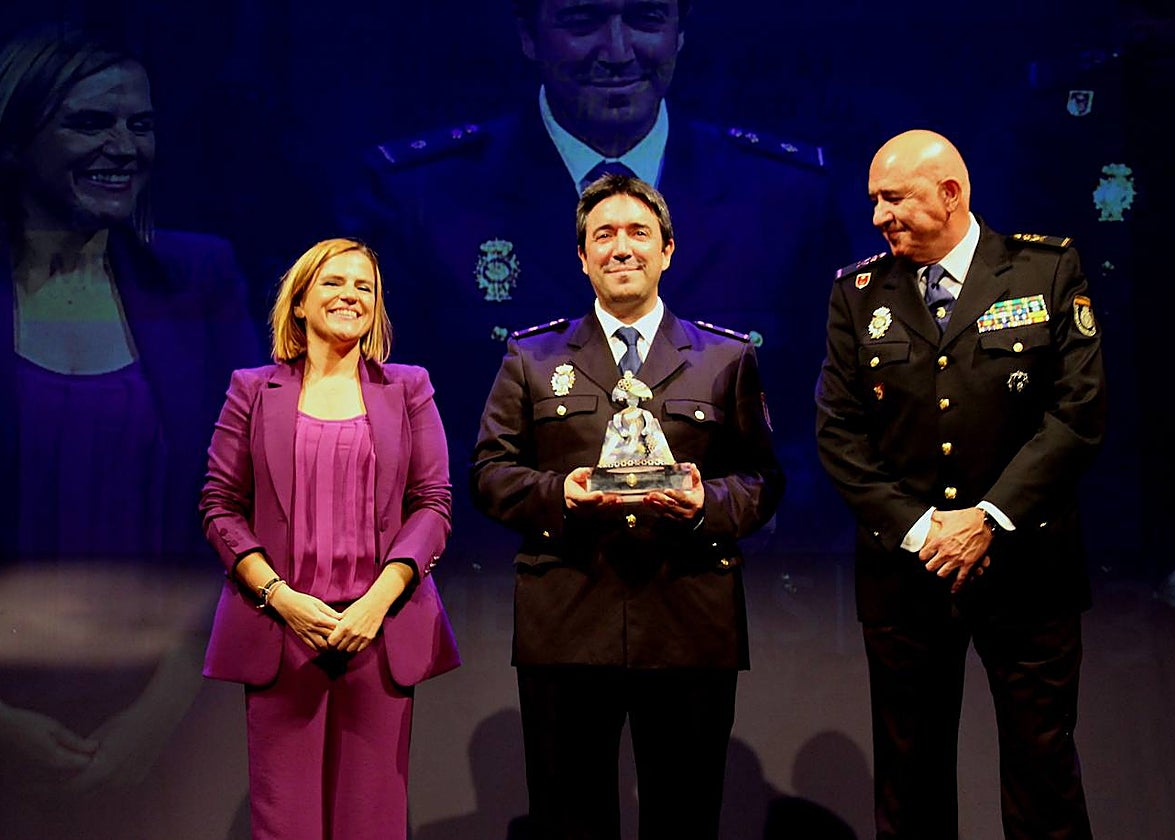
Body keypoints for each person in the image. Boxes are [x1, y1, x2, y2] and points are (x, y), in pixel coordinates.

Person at [342, 0, 843, 566]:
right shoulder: (420, 197)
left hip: (730, 572)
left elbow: (820, 410)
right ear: (529, 36)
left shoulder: (785, 196)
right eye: (583, 23)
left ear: (681, 34)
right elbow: (384, 410)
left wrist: (753, 514)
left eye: (646, 20)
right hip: (497, 574)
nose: (618, 51)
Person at [0, 25, 258, 838]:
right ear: (16, 137)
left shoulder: (199, 277)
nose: (124, 147)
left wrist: (166, 705)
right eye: (89, 124)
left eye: (139, 125)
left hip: (176, 714)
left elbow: (258, 505)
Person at [471, 174, 784, 839]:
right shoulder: (531, 357)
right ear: (581, 256)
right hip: (568, 621)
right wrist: (561, 494)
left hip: (690, 621)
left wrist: (705, 505)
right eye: (602, 235)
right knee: (569, 819)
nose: (621, 248)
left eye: (638, 233)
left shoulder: (726, 358)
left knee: (685, 817)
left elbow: (762, 481)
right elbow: (490, 474)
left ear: (668, 249)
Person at [815, 129, 1105, 839]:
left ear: (951, 192)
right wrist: (922, 530)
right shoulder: (857, 293)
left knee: (1043, 774)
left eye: (894, 198)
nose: (879, 215)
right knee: (909, 784)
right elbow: (839, 433)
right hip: (908, 576)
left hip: (1027, 566)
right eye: (873, 201)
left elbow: (1078, 414)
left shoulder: (1044, 270)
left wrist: (990, 517)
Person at [200, 238, 460, 840]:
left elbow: (433, 502)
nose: (350, 296)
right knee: (284, 822)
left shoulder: (408, 387)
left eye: (364, 287)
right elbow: (219, 505)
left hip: (379, 630)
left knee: (373, 820)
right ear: (298, 302)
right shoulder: (252, 389)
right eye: (333, 283)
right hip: (283, 629)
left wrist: (377, 601)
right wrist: (280, 596)